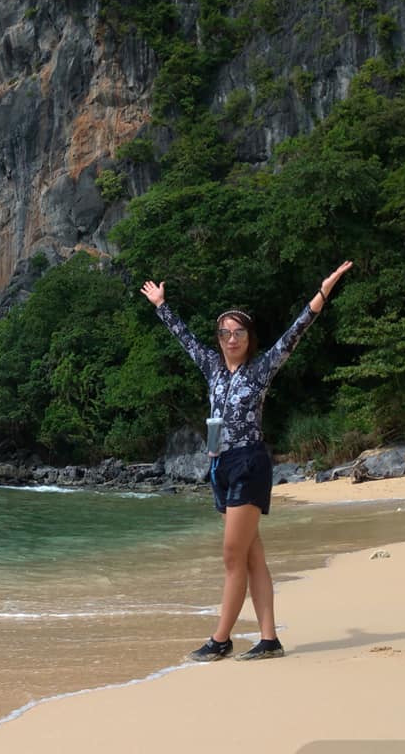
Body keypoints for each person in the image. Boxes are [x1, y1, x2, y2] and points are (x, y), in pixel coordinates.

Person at [140, 261, 353, 661]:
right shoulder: (212, 369)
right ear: (219, 338)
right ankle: (269, 639)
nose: (231, 338)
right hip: (219, 467)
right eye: (225, 332)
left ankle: (220, 639)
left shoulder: (261, 369)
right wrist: (161, 305)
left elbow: (297, 330)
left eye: (238, 332)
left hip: (249, 464)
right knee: (252, 556)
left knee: (232, 556)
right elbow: (184, 338)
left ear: (249, 337)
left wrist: (323, 291)